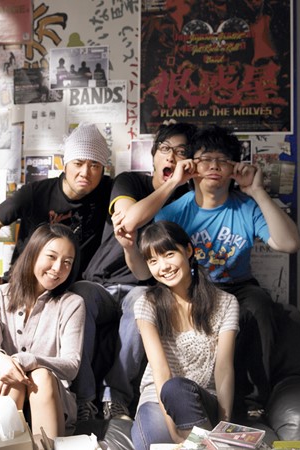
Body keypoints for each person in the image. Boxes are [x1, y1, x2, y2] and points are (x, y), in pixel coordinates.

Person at [121, 124, 300, 409]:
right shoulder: (175, 211)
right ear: (193, 166)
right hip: (189, 287)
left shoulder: (247, 207)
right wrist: (175, 181)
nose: (214, 166)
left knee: (258, 304)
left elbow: (290, 243)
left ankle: (253, 403)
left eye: (223, 160)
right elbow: (133, 231)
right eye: (205, 159)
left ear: (234, 168)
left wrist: (257, 191)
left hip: (236, 287)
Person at [79, 121, 197, 421]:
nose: (172, 157)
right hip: (100, 283)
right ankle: (81, 398)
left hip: (142, 285)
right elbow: (129, 219)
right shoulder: (129, 181)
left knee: (143, 300)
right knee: (80, 296)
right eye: (165, 149)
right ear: (154, 155)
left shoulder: (188, 202)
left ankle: (114, 398)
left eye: (181, 151)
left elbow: (145, 274)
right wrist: (173, 182)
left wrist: (180, 184)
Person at [123, 221, 238, 450]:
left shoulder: (226, 303)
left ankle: (205, 444)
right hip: (157, 399)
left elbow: (224, 368)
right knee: (154, 438)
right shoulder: (147, 304)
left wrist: (223, 426)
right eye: (153, 261)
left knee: (178, 389)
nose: (163, 267)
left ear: (188, 250)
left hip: (203, 400)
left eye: (169, 254)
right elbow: (161, 372)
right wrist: (176, 435)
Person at [0, 223, 85, 443]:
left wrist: (28, 360)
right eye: (51, 257)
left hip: (52, 399)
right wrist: (2, 361)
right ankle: (5, 447)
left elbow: (71, 365)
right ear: (33, 253)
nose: (58, 268)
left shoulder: (72, 303)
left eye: (67, 262)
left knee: (40, 375)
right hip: (3, 393)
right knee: (12, 375)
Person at [0, 122, 112, 287]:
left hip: (71, 288)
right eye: (78, 163)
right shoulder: (35, 193)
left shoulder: (109, 192)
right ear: (64, 165)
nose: (85, 172)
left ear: (103, 170)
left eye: (94, 166)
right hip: (24, 282)